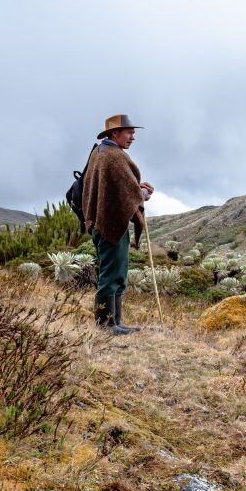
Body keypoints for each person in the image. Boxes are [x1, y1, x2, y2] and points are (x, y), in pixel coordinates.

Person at [82, 114, 154, 334]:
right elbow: (129, 194)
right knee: (112, 273)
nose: (132, 137)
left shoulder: (99, 152)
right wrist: (143, 193)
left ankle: (115, 323)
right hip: (109, 224)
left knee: (115, 272)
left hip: (101, 222)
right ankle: (107, 325)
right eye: (129, 132)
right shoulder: (114, 157)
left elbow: (115, 189)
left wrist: (134, 188)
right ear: (115, 133)